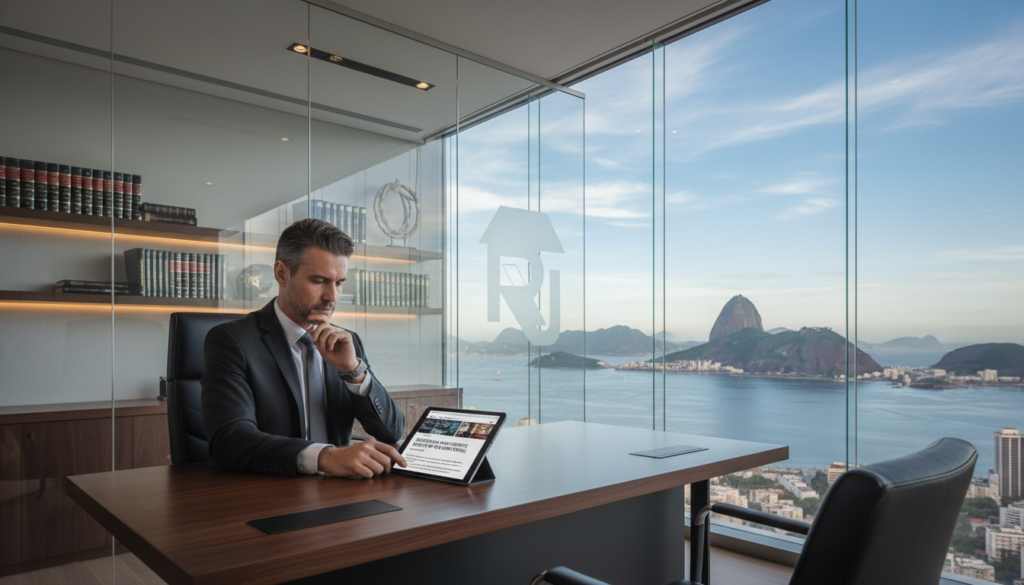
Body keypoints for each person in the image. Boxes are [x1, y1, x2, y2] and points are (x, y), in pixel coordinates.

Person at [201, 218, 407, 478]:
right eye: (319, 280)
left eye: (339, 283)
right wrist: (324, 457)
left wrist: (353, 371)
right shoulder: (232, 341)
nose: (332, 297)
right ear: (281, 273)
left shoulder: (346, 342)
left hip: (340, 494)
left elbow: (392, 431)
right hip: (268, 493)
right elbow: (230, 440)